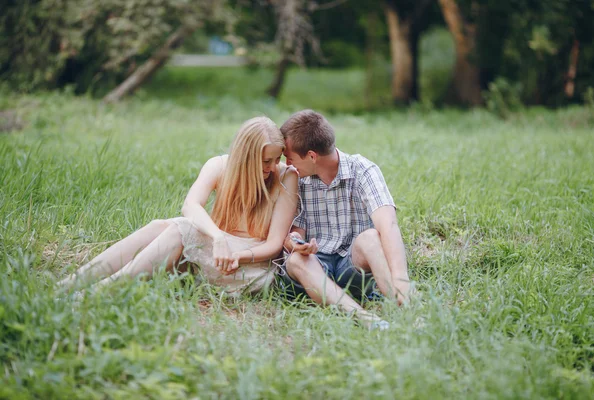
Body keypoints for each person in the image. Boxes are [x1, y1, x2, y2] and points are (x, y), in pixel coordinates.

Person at [58, 116, 298, 295]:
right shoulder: (219, 166)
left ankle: (101, 291)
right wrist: (218, 238)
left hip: (250, 267)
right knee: (160, 226)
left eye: (277, 159)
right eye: (266, 160)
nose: (272, 166)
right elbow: (191, 205)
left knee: (178, 229)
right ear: (244, 157)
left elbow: (275, 245)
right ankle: (75, 281)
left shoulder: (286, 177)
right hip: (216, 255)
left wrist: (236, 255)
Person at [278, 109, 411, 328]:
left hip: (352, 266)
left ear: (312, 156)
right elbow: (295, 230)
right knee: (295, 260)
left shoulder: (363, 170)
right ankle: (364, 318)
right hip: (316, 269)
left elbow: (388, 224)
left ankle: (404, 305)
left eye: (290, 158)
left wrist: (400, 276)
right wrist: (296, 243)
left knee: (370, 237)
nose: (288, 164)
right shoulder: (297, 179)